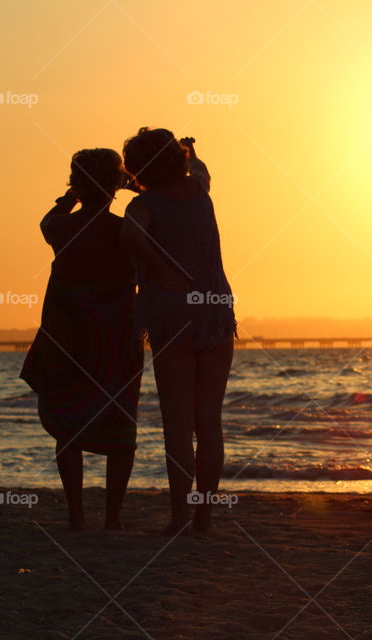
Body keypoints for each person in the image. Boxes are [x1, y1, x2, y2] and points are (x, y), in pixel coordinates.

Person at [21, 149, 142, 531]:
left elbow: (48, 219)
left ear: (76, 185)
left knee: (68, 423)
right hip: (114, 341)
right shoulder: (124, 231)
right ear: (116, 186)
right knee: (120, 425)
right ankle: (114, 518)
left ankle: (76, 514)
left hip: (68, 339)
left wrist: (69, 197)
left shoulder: (61, 228)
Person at [121, 127, 235, 535]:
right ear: (178, 159)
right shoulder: (200, 191)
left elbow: (130, 234)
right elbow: (201, 168)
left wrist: (160, 268)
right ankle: (203, 516)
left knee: (177, 424)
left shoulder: (143, 204)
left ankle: (179, 516)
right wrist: (190, 149)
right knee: (209, 422)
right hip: (215, 310)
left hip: (172, 313)